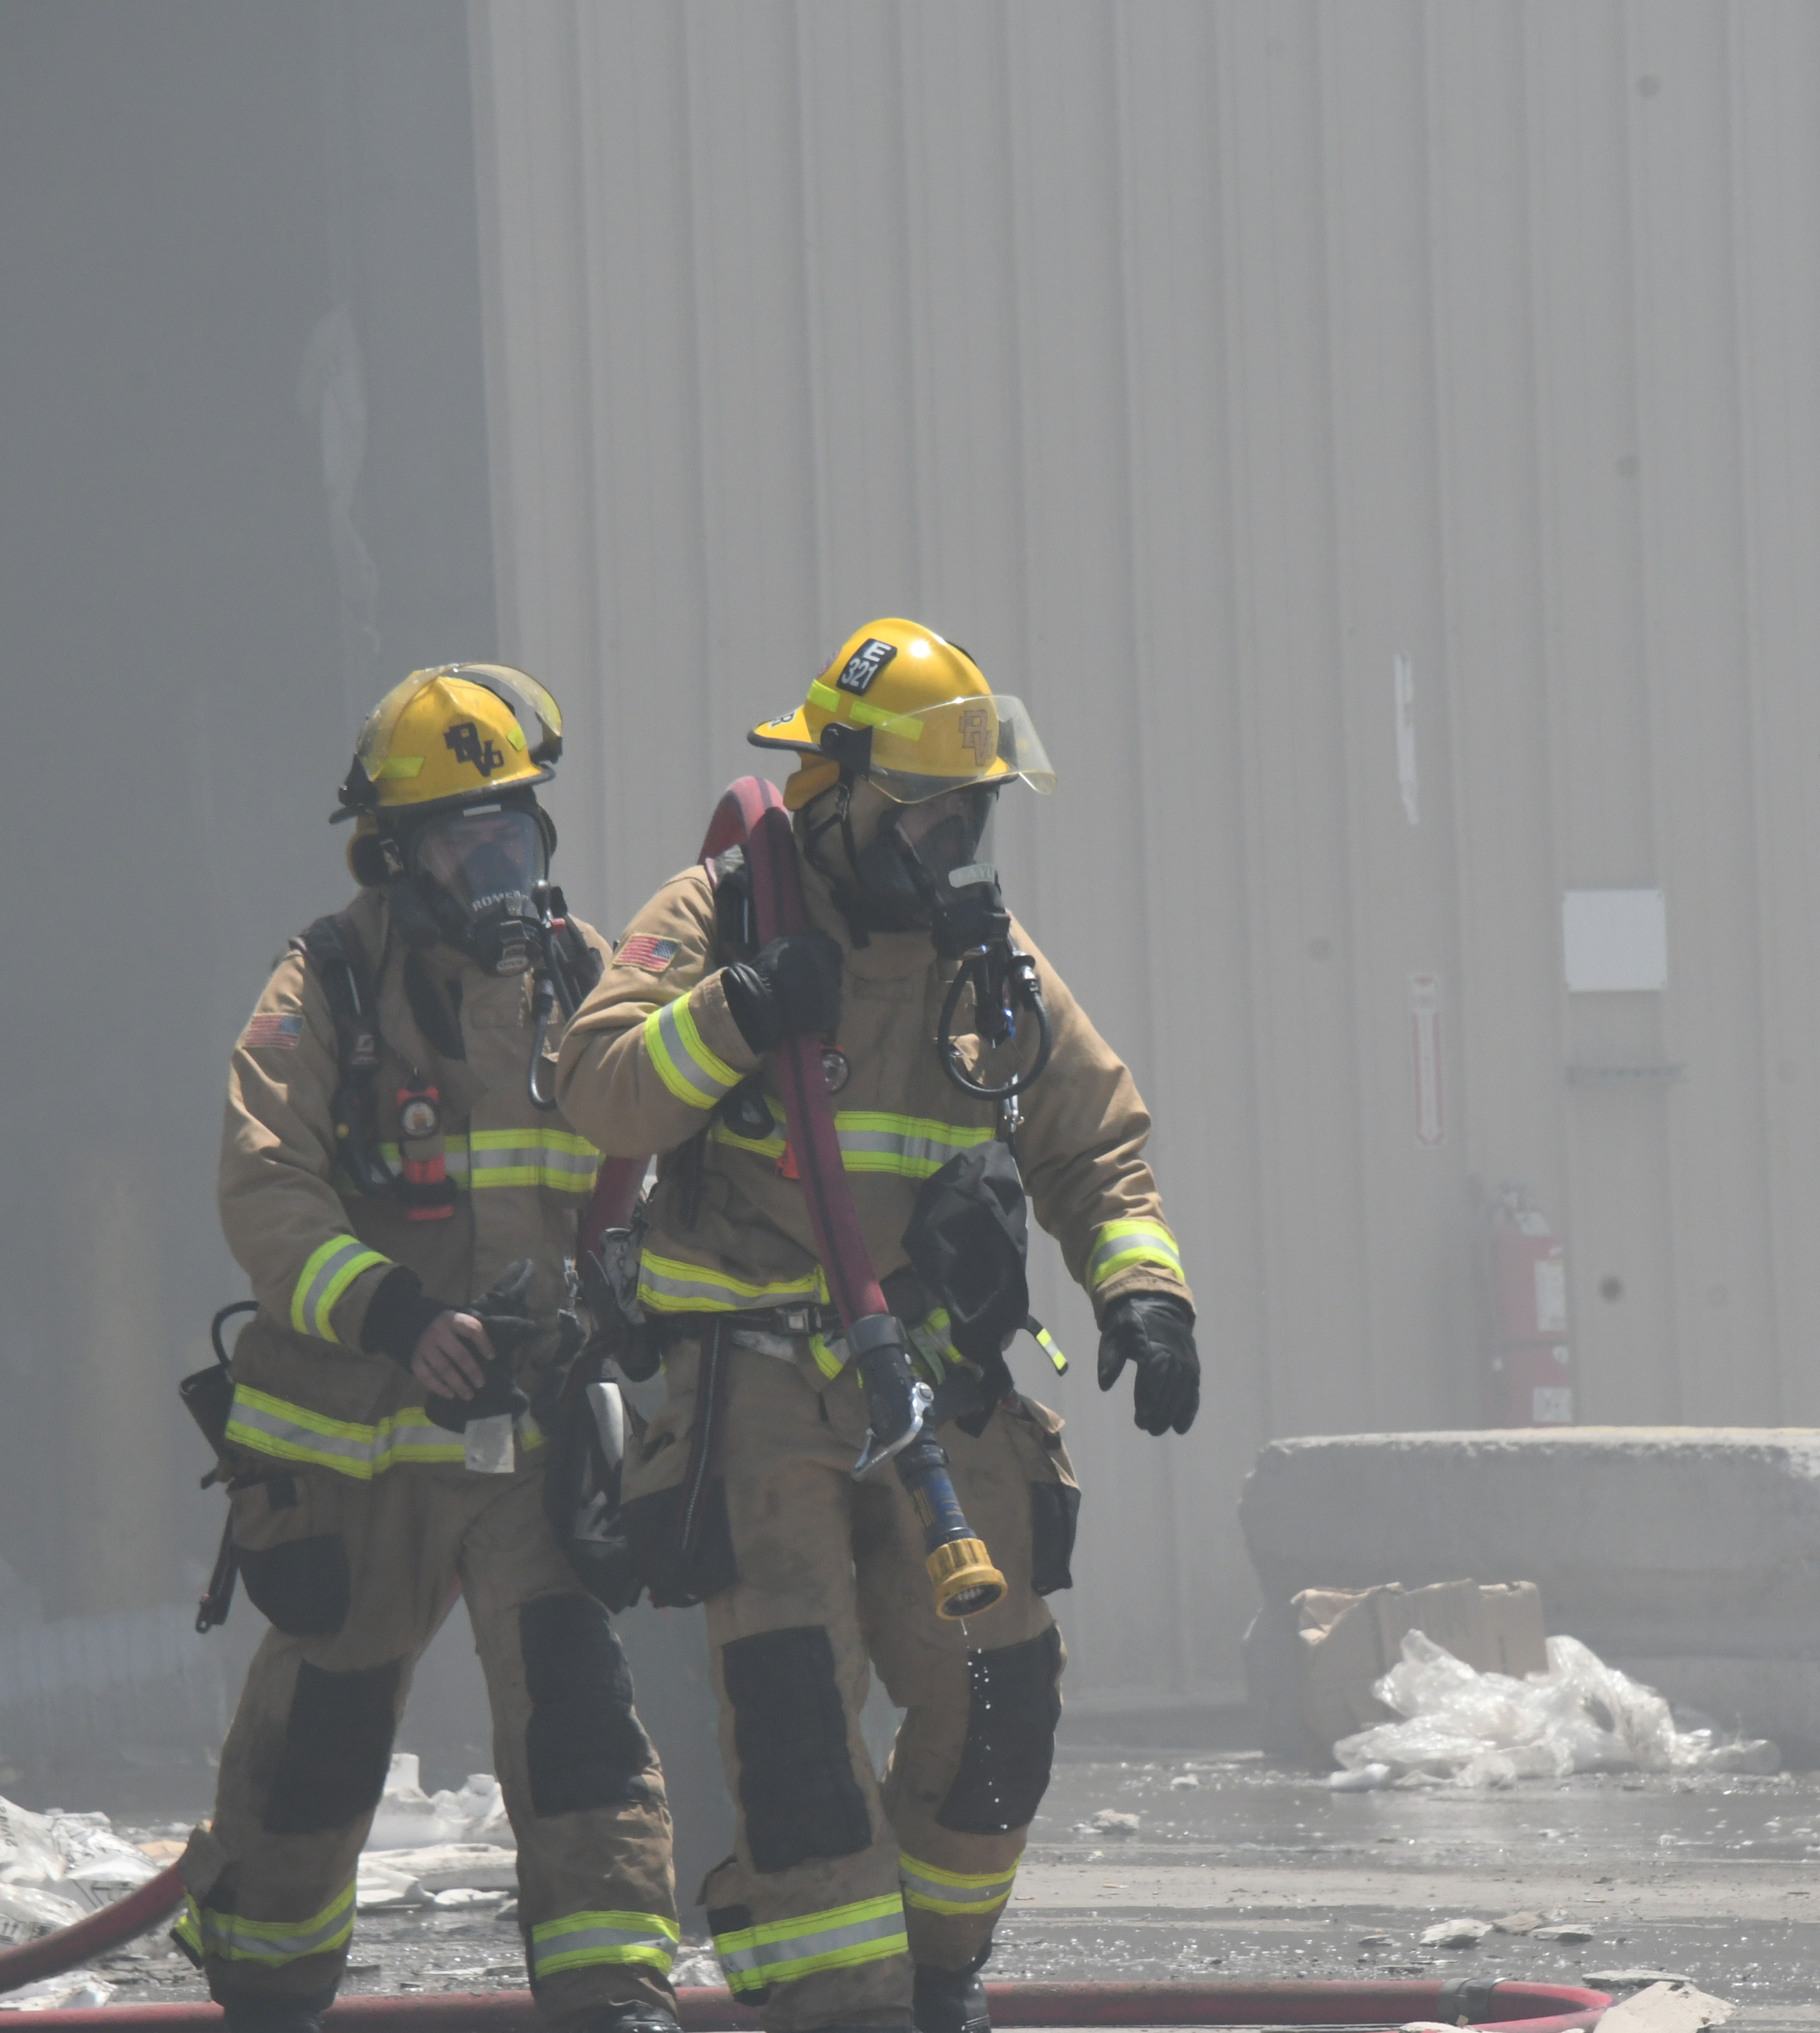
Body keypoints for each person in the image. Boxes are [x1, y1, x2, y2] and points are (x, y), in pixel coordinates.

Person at [554, 620, 1199, 2033]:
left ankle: (939, 1972)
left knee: (1003, 1696)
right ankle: (837, 2001)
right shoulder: (726, 911)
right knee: (796, 1718)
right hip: (757, 1389)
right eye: (926, 814)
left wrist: (1144, 1294)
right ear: (834, 794)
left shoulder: (985, 956)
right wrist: (736, 1013)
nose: (953, 845)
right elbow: (599, 1088)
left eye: (971, 815)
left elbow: (1095, 1144)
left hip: (939, 1386)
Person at [180, 667, 681, 2033]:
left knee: (580, 1721)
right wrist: (396, 1317)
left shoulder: (580, 975)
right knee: (321, 1740)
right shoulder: (325, 985)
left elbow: (654, 1152)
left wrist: (630, 1296)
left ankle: (614, 1997)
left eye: (513, 829)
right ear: (394, 854)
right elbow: (264, 1188)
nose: (497, 864)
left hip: (528, 1435)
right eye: (464, 838)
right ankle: (267, 1991)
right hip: (358, 1449)